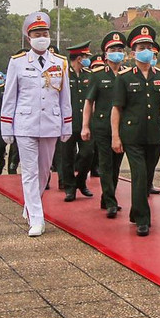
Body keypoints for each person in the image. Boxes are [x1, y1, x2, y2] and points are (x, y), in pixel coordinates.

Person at [0, 11, 73, 237]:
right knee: (30, 172)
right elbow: (10, 96)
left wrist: (67, 124)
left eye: (45, 33)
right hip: (26, 123)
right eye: (37, 34)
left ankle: (30, 208)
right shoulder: (18, 62)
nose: (42, 37)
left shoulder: (59, 62)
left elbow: (65, 97)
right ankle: (37, 219)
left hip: (51, 123)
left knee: (43, 173)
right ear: (28, 38)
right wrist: (6, 125)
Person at [112, 25, 160, 236]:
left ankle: (136, 210)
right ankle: (143, 219)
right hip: (132, 135)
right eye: (141, 48)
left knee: (147, 176)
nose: (146, 51)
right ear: (133, 53)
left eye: (149, 47)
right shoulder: (124, 78)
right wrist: (115, 136)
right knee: (139, 175)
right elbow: (117, 109)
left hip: (154, 135)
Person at [83, 31, 129, 217]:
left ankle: (107, 197)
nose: (117, 53)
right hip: (102, 126)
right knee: (106, 164)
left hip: (123, 127)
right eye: (113, 49)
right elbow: (89, 102)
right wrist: (85, 126)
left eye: (120, 49)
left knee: (116, 165)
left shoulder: (127, 75)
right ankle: (111, 202)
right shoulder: (98, 75)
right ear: (106, 53)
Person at [60, 42, 96, 202]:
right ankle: (70, 188)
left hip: (86, 123)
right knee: (67, 157)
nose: (88, 59)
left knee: (88, 153)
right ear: (79, 58)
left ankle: (80, 181)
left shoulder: (89, 75)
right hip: (67, 122)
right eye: (86, 57)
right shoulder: (63, 75)